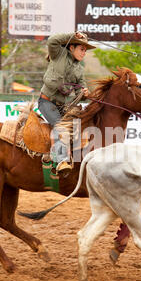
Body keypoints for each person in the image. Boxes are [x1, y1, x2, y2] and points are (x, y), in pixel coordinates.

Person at [38, 32, 96, 175]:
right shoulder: (58, 54)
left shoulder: (80, 69)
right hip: (47, 102)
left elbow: (80, 93)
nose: (84, 53)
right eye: (81, 49)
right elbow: (52, 39)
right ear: (71, 47)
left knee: (78, 128)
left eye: (85, 50)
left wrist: (85, 94)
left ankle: (72, 159)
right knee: (60, 126)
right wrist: (72, 35)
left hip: (64, 107)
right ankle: (60, 160)